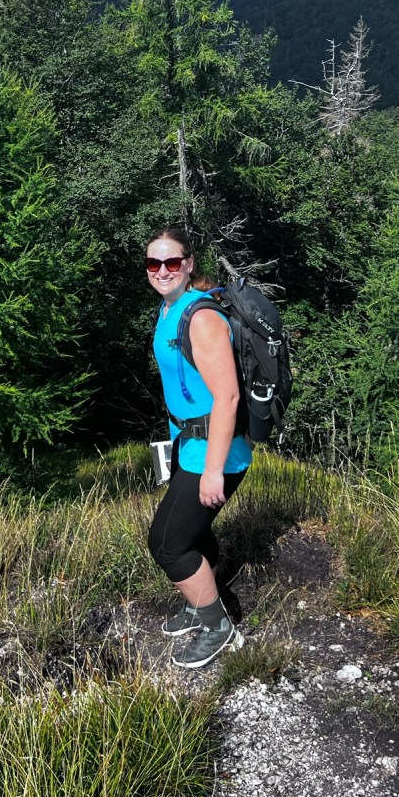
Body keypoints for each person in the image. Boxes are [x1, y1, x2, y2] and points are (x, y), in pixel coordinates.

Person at [145, 225, 253, 668]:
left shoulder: (201, 317)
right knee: (192, 530)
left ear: (189, 264)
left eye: (172, 262)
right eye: (155, 263)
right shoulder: (169, 308)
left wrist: (212, 470)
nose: (163, 270)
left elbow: (228, 397)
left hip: (215, 451)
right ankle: (196, 604)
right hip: (187, 442)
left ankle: (216, 625)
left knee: (167, 544)